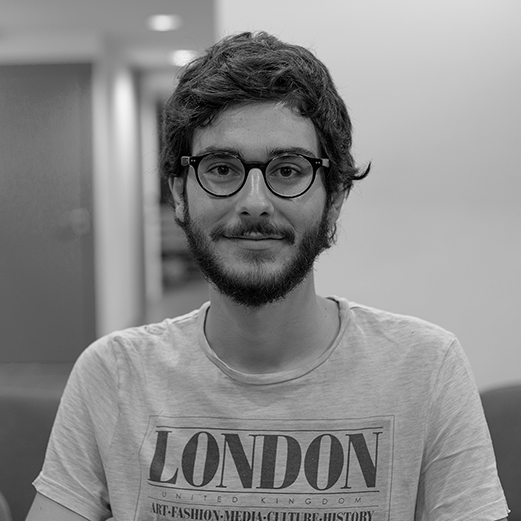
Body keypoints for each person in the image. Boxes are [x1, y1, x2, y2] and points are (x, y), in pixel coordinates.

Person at [27, 32, 508, 521]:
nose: (254, 203)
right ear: (178, 194)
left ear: (334, 199)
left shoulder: (425, 369)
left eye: (288, 170)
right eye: (221, 168)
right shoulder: (113, 375)